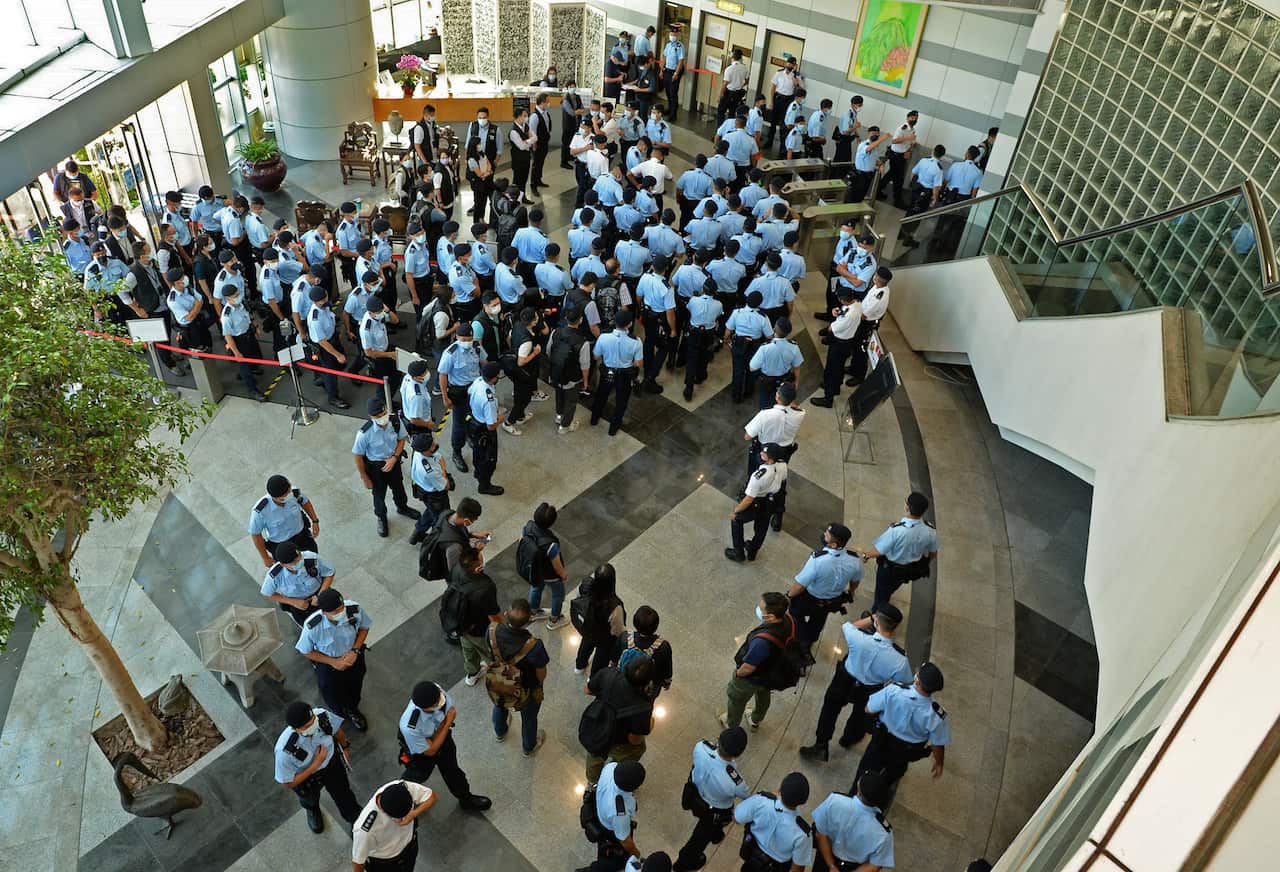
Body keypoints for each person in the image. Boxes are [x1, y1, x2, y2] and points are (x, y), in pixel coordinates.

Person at [800, 604, 910, 764]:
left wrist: (871, 618)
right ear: (896, 626)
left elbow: (848, 625)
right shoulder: (900, 660)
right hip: (871, 689)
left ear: (876, 620)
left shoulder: (858, 638)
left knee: (830, 709)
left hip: (844, 679)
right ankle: (849, 738)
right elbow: (904, 683)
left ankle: (821, 745)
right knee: (860, 714)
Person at [853, 662, 950, 795]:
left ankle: (855, 793)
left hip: (881, 741)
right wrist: (939, 763)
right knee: (891, 775)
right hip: (905, 753)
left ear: (917, 680)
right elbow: (938, 744)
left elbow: (868, 708)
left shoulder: (894, 690)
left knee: (866, 768)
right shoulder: (937, 716)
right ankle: (879, 797)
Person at [398, 680, 492, 810]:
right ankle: (403, 797)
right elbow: (430, 751)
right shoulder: (410, 726)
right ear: (425, 708)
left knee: (454, 772)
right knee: (417, 775)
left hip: (444, 742)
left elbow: (450, 711)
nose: (440, 702)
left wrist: (436, 736)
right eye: (435, 703)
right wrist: (446, 724)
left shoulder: (436, 691)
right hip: (421, 754)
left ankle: (465, 799)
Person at [274, 701, 359, 834]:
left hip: (332, 765)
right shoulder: (284, 751)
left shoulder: (322, 716)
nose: (314, 725)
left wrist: (345, 746)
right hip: (307, 778)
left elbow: (337, 731)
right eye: (308, 726)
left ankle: (354, 818)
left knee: (344, 794)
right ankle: (312, 809)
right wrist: (315, 765)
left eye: (313, 719)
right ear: (296, 729)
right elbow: (287, 783)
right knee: (309, 798)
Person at [672, 727, 750, 872]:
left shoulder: (701, 747)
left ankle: (715, 834)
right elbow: (746, 797)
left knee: (707, 830)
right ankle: (682, 864)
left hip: (693, 794)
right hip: (714, 812)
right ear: (738, 754)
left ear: (719, 739)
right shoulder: (736, 783)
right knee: (698, 840)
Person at [297, 588, 372, 732]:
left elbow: (364, 627)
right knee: (331, 690)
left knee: (355, 684)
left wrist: (355, 651)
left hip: (353, 656)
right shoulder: (313, 626)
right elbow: (305, 651)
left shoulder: (353, 610)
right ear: (324, 612)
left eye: (342, 607)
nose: (341, 612)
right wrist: (333, 662)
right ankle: (338, 711)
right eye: (335, 611)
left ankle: (353, 710)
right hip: (329, 663)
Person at [722, 592, 796, 730]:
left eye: (761, 608)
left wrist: (738, 674)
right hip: (769, 673)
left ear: (771, 617)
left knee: (736, 700)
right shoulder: (788, 619)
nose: (757, 608)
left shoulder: (761, 642)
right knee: (763, 695)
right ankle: (755, 719)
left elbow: (748, 668)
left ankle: (731, 725)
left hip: (752, 678)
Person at [488, 598, 550, 755]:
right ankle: (529, 747)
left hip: (500, 680)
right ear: (529, 619)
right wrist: (538, 685)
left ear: (505, 613)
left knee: (499, 704)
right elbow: (541, 674)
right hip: (527, 688)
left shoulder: (492, 630)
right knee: (529, 717)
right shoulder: (534, 646)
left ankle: (500, 732)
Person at [353, 395, 421, 537]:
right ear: (371, 417)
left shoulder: (395, 421)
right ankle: (381, 517)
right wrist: (364, 477)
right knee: (378, 495)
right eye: (378, 416)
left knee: (399, 488)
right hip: (376, 467)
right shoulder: (364, 434)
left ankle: (402, 507)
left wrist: (394, 458)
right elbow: (358, 456)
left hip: (393, 462)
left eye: (383, 413)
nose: (382, 418)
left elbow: (402, 439)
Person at [788, 523, 863, 652]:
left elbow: (800, 585)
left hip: (809, 597)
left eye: (827, 536)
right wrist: (851, 592)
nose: (824, 535)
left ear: (833, 545)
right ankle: (807, 643)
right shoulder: (855, 560)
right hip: (830, 602)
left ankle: (799, 636)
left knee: (794, 613)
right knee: (817, 624)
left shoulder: (818, 560)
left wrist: (788, 596)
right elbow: (855, 581)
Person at [583, 656, 657, 784]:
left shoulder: (608, 673)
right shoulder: (643, 707)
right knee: (638, 750)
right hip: (618, 742)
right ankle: (617, 776)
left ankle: (593, 782)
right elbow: (634, 740)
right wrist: (652, 723)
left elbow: (587, 690)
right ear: (648, 682)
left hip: (597, 729)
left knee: (594, 757)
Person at [861, 492, 938, 611]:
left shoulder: (897, 531)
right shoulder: (930, 530)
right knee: (891, 588)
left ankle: (876, 618)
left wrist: (866, 555)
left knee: (881, 595)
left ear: (907, 507)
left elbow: (879, 550)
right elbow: (933, 554)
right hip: (908, 570)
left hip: (889, 569)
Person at [811, 773, 894, 872]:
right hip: (853, 868)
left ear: (859, 792)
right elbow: (874, 866)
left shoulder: (834, 801)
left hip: (825, 856)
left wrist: (832, 866)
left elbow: (820, 834)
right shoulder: (884, 833)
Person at [733, 773, 815, 871]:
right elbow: (797, 869)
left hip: (750, 859)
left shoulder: (761, 801)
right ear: (803, 801)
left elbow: (736, 818)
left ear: (780, 789)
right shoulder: (803, 835)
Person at [438, 321, 488, 473]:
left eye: (469, 339)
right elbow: (443, 375)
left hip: (475, 390)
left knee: (475, 418)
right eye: (463, 339)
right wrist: (445, 397)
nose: (466, 342)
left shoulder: (477, 348)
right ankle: (457, 452)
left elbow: (484, 363)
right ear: (457, 337)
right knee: (459, 424)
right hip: (458, 392)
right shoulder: (450, 353)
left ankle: (469, 436)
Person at [578, 761, 647, 872]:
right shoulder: (620, 812)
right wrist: (636, 854)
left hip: (599, 807)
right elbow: (625, 840)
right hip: (609, 829)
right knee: (617, 860)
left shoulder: (610, 768)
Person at [351, 780, 434, 872]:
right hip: (387, 865)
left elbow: (432, 797)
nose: (402, 820)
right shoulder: (365, 830)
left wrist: (413, 814)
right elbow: (358, 862)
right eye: (398, 818)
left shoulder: (401, 788)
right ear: (385, 813)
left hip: (411, 847)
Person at [725, 444, 788, 563]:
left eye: (763, 455)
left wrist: (736, 511)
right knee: (762, 528)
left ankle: (738, 552)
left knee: (736, 520)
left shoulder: (758, 477)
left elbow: (749, 498)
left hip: (757, 502)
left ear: (770, 460)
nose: (760, 455)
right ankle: (753, 551)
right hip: (771, 502)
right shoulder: (783, 465)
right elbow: (783, 480)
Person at [591, 311, 644, 435]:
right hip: (625, 375)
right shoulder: (636, 341)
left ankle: (594, 418)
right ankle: (614, 427)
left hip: (607, 372)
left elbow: (595, 356)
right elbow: (638, 363)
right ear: (629, 324)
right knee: (621, 401)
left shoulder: (603, 337)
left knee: (601, 396)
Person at [249, 475, 320, 567]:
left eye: (289, 490)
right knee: (292, 571)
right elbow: (255, 534)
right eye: (285, 495)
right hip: (281, 546)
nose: (289, 494)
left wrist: (315, 521)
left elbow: (305, 502)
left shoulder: (294, 493)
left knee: (313, 562)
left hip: (303, 537)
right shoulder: (260, 511)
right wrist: (265, 557)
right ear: (275, 497)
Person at [810, 287, 863, 408]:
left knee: (831, 370)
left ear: (843, 300)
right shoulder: (857, 305)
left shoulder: (848, 316)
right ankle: (836, 387)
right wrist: (837, 312)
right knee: (839, 368)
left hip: (839, 343)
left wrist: (833, 322)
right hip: (847, 341)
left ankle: (828, 398)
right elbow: (843, 312)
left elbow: (832, 328)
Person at [521, 502, 572, 629]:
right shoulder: (551, 543)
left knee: (536, 588)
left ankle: (533, 612)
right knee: (558, 594)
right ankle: (554, 620)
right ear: (551, 523)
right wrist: (563, 575)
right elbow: (556, 565)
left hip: (534, 570)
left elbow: (521, 541)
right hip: (550, 574)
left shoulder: (527, 527)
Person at [261, 542, 334, 628]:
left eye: (299, 557)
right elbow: (266, 594)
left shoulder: (311, 558)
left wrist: (320, 595)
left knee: (334, 618)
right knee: (312, 628)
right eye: (294, 562)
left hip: (320, 593)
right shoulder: (276, 575)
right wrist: (292, 602)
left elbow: (329, 573)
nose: (299, 561)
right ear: (283, 564)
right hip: (299, 605)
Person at [609, 605, 673, 697]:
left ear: (635, 622)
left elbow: (614, 658)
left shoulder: (625, 637)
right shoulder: (663, 646)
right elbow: (667, 667)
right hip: (648, 685)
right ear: (656, 626)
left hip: (625, 678)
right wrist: (667, 682)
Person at [574, 563, 626, 676]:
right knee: (601, 656)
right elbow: (617, 630)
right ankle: (593, 678)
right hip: (604, 638)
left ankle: (579, 667)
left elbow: (578, 599)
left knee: (585, 645)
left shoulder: (586, 585)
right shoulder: (614, 606)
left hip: (587, 628)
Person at [307, 285, 352, 410]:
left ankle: (323, 378)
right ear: (316, 302)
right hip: (325, 347)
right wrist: (337, 354)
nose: (326, 299)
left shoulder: (325, 306)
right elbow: (322, 341)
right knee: (330, 372)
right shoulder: (315, 319)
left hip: (333, 339)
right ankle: (333, 397)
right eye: (323, 299)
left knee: (340, 364)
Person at [549, 306, 592, 433]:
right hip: (572, 378)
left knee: (559, 395)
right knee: (571, 402)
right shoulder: (583, 342)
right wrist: (585, 382)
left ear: (566, 318)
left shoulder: (555, 332)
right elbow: (585, 365)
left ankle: (559, 416)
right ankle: (565, 426)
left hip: (556, 373)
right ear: (581, 320)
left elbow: (548, 351)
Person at [466, 360, 507, 495]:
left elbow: (469, 392)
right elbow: (491, 426)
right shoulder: (489, 400)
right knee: (488, 459)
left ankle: (478, 472)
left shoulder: (478, 381)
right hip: (485, 429)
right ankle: (484, 485)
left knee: (477, 452)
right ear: (494, 378)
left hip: (474, 423)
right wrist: (501, 418)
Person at [724, 291, 772, 404]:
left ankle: (736, 394)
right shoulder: (763, 318)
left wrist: (726, 340)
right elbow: (769, 336)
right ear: (759, 303)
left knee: (737, 370)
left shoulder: (737, 312)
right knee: (752, 369)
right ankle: (749, 391)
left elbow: (728, 330)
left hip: (739, 343)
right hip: (754, 346)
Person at [637, 256, 676, 394]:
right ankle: (650, 377)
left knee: (648, 341)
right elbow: (669, 311)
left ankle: (647, 369)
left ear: (653, 266)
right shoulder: (667, 288)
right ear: (666, 268)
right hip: (660, 318)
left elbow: (639, 296)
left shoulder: (645, 277)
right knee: (664, 346)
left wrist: (641, 310)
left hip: (648, 315)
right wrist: (673, 329)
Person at [682, 277, 723, 401]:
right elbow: (718, 316)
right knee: (704, 354)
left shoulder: (694, 300)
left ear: (703, 289)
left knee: (691, 358)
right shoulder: (718, 304)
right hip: (708, 333)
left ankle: (689, 387)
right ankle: (700, 376)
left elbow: (688, 309)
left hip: (694, 331)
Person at [408, 433, 453, 544]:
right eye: (432, 445)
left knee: (431, 511)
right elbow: (446, 486)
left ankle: (417, 533)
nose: (435, 445)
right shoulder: (430, 472)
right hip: (436, 496)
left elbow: (439, 456)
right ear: (425, 450)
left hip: (424, 491)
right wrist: (444, 471)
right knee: (441, 520)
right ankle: (435, 541)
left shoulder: (419, 452)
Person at [749, 318, 802, 411]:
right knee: (783, 407)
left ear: (774, 329)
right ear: (788, 333)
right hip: (784, 381)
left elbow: (752, 367)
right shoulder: (794, 347)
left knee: (765, 407)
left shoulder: (765, 348)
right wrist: (796, 383)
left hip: (766, 382)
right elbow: (797, 367)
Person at [765, 55, 804, 152]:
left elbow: (801, 88)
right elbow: (773, 87)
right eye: (788, 63)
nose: (789, 65)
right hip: (777, 99)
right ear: (786, 63)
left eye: (792, 64)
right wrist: (771, 101)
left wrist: (796, 79)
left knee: (784, 124)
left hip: (787, 101)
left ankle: (783, 146)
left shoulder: (796, 76)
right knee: (773, 122)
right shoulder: (779, 73)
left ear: (795, 65)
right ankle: (769, 141)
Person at [883, 110, 919, 209]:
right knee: (898, 179)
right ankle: (897, 200)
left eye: (915, 118)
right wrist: (907, 138)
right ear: (907, 118)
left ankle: (878, 190)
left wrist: (909, 151)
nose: (914, 120)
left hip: (903, 156)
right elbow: (894, 141)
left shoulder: (913, 130)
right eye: (912, 118)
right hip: (895, 156)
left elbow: (912, 143)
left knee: (891, 175)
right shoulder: (901, 128)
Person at [717, 48, 750, 126]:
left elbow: (725, 83)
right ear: (741, 57)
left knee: (721, 112)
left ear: (733, 57)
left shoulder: (729, 69)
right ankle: (730, 130)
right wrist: (741, 85)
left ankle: (720, 130)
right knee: (732, 114)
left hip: (728, 93)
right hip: (737, 94)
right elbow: (747, 80)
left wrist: (720, 95)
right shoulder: (745, 69)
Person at [467, 137, 496, 224]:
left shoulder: (482, 154)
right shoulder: (472, 159)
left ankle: (481, 219)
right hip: (478, 184)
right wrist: (488, 173)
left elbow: (488, 163)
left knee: (484, 202)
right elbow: (479, 174)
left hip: (486, 181)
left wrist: (488, 172)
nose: (480, 145)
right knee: (478, 203)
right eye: (479, 144)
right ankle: (476, 222)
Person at [529, 92, 553, 193]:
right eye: (547, 101)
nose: (549, 103)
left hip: (544, 143)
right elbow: (532, 132)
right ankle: (533, 184)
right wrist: (534, 146)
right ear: (542, 102)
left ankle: (538, 180)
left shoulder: (545, 113)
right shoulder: (535, 116)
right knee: (536, 164)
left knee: (541, 163)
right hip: (537, 145)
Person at [832, 95, 863, 166]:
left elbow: (853, 125)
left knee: (845, 160)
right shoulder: (847, 115)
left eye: (861, 105)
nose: (860, 107)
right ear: (853, 104)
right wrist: (855, 127)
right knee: (840, 161)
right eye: (859, 105)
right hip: (842, 140)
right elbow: (845, 132)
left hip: (847, 140)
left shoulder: (854, 113)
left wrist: (857, 136)